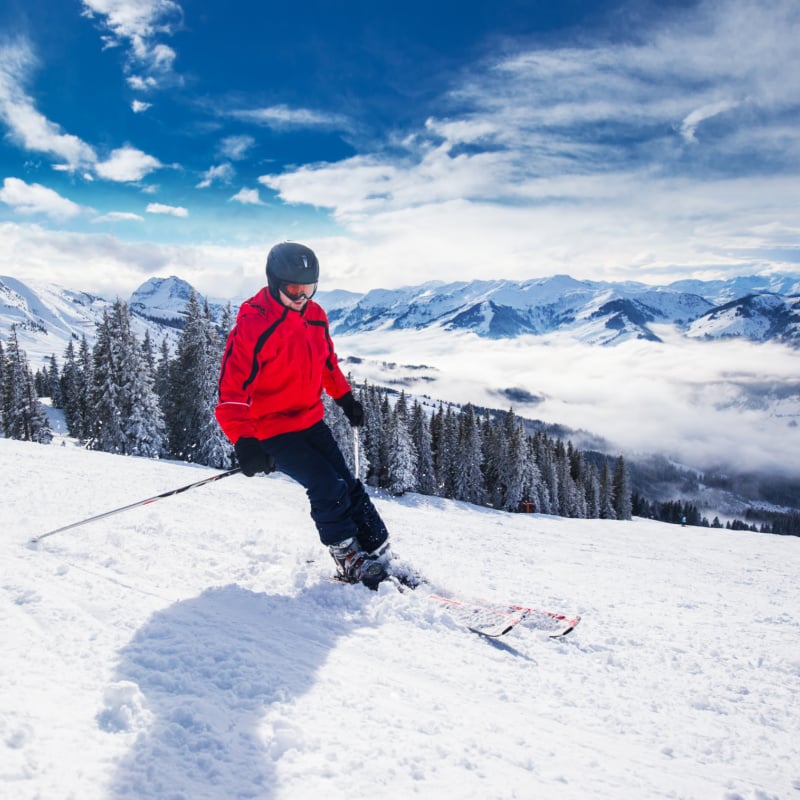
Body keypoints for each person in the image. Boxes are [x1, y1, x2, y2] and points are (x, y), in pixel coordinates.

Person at [215, 241, 391, 588]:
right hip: (271, 430)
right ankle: (348, 558)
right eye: (293, 290)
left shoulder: (315, 316)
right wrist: (246, 442)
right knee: (327, 486)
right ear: (273, 282)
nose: (301, 298)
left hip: (310, 419)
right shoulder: (253, 325)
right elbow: (231, 394)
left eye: (308, 290)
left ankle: (377, 546)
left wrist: (346, 399)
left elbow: (327, 364)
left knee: (347, 481)